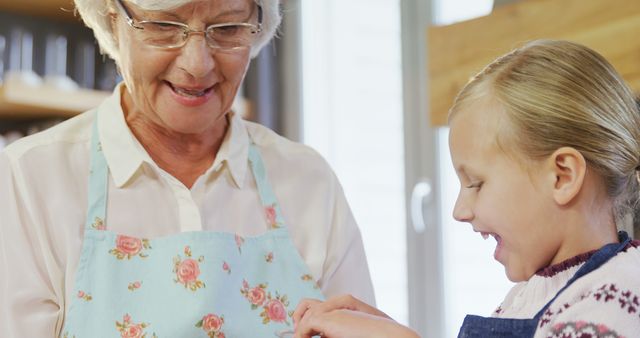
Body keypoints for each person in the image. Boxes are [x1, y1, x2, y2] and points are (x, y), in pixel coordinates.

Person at [0, 0, 375, 336]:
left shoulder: (308, 180)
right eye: (164, 26)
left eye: (227, 29)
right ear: (114, 21)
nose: (197, 64)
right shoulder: (28, 179)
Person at [292, 39, 640, 338]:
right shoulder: (530, 293)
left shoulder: (618, 295)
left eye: (476, 183)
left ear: (562, 177)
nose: (460, 210)